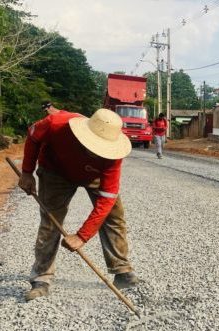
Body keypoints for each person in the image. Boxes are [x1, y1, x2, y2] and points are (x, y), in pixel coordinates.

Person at [18, 101, 140, 301]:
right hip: (55, 171)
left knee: (114, 217)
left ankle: (122, 271)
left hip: (94, 175)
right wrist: (26, 172)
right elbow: (32, 138)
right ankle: (41, 278)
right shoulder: (56, 124)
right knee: (51, 221)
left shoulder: (113, 157)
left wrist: (82, 236)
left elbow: (107, 200)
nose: (97, 151)